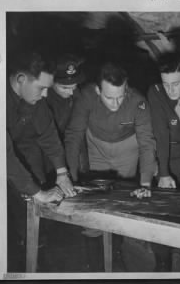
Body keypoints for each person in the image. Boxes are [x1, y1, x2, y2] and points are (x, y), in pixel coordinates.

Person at [65, 61, 156, 198]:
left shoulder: (138, 101)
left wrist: (145, 185)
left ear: (126, 88)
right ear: (98, 90)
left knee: (122, 193)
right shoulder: (86, 97)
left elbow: (146, 143)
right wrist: (70, 178)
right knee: (96, 193)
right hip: (96, 147)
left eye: (120, 97)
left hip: (127, 149)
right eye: (109, 98)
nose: (115, 104)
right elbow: (74, 136)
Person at [7, 50, 75, 196]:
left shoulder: (34, 99)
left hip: (26, 157)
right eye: (41, 88)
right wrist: (38, 194)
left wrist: (62, 173)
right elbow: (4, 155)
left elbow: (48, 134)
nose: (45, 94)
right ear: (21, 79)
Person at [147, 53, 180, 189]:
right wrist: (164, 173)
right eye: (166, 84)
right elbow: (161, 135)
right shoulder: (156, 92)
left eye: (176, 84)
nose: (170, 90)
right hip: (167, 153)